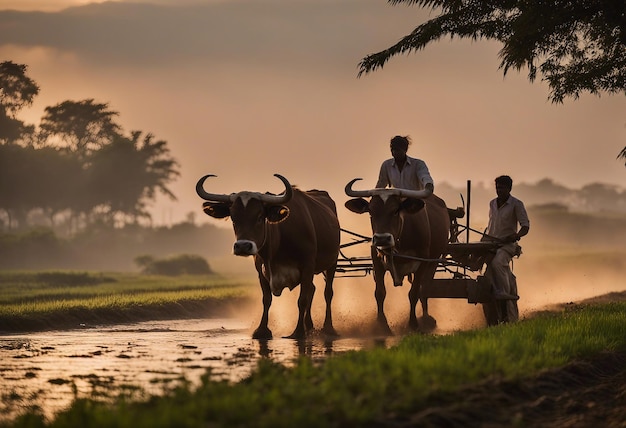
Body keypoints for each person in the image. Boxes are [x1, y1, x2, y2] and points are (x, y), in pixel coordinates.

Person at [484, 175, 530, 301]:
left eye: (502, 188)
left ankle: (503, 293)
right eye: (497, 188)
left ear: (509, 189)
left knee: (498, 262)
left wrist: (515, 236)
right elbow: (491, 224)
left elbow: (525, 226)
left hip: (507, 245)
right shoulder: (492, 203)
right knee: (478, 263)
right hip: (490, 243)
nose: (499, 190)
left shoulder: (517, 204)